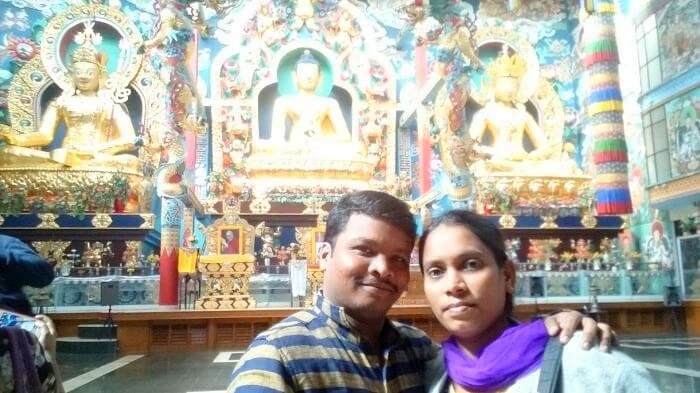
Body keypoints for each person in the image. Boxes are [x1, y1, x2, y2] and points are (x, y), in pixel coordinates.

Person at [227, 191, 613, 392]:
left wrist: (563, 322)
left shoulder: (421, 353)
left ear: (507, 275)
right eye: (364, 250)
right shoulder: (278, 353)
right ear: (324, 254)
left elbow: (494, 348)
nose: (382, 269)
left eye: (398, 258)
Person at [418, 210, 658, 393]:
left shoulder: (596, 366)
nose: (453, 285)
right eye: (436, 271)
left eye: (471, 264)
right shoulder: (426, 373)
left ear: (508, 276)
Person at [0, 22, 139, 171]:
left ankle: (79, 162)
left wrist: (99, 150)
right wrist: (17, 139)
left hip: (97, 157)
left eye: (90, 73)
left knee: (130, 161)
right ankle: (68, 162)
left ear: (100, 76)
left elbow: (130, 139)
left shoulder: (109, 104)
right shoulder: (61, 102)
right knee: (8, 153)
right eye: (78, 72)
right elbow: (45, 135)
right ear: (71, 75)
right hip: (63, 156)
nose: (83, 77)